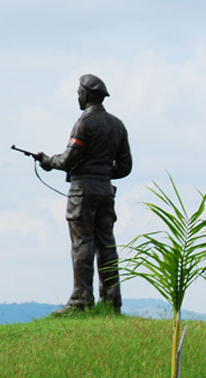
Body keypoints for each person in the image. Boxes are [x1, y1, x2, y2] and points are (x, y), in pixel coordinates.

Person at [36, 74, 132, 315]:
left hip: (82, 192)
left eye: (79, 93)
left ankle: (81, 301)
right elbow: (125, 167)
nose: (78, 97)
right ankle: (112, 302)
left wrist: (48, 161)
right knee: (107, 244)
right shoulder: (117, 125)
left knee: (82, 244)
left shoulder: (84, 124)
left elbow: (69, 159)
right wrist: (102, 173)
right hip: (106, 191)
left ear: (87, 95)